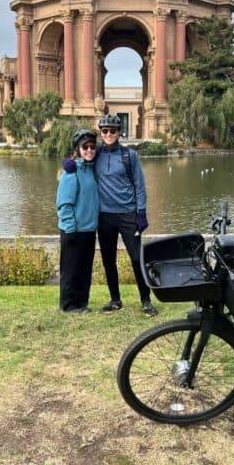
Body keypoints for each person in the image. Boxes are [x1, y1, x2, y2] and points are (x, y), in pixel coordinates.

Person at [94, 114, 157, 316]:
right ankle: (115, 300)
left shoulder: (130, 155)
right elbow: (79, 163)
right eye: (105, 131)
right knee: (108, 260)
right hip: (104, 216)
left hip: (128, 214)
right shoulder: (95, 154)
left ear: (119, 133)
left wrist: (142, 213)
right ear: (100, 133)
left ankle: (146, 300)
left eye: (112, 131)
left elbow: (139, 185)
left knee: (137, 259)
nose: (109, 134)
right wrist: (68, 166)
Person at [56, 129, 99, 314]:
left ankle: (81, 303)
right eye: (85, 147)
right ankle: (68, 305)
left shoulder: (91, 169)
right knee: (71, 270)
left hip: (89, 230)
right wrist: (70, 229)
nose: (89, 150)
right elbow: (64, 204)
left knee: (84, 270)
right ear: (78, 149)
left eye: (92, 146)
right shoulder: (71, 172)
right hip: (74, 230)